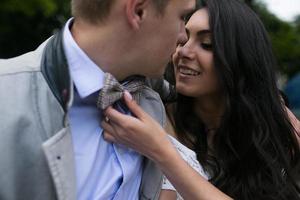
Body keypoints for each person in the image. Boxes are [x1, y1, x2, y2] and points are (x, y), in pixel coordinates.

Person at [102, 0, 300, 199]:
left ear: (240, 59)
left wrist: (276, 111)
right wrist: (162, 150)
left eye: (206, 44)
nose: (183, 52)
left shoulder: (265, 134)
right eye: (183, 40)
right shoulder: (152, 117)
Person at [0, 0, 196, 199]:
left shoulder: (152, 90)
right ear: (138, 11)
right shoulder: (6, 97)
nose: (182, 37)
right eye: (181, 17)